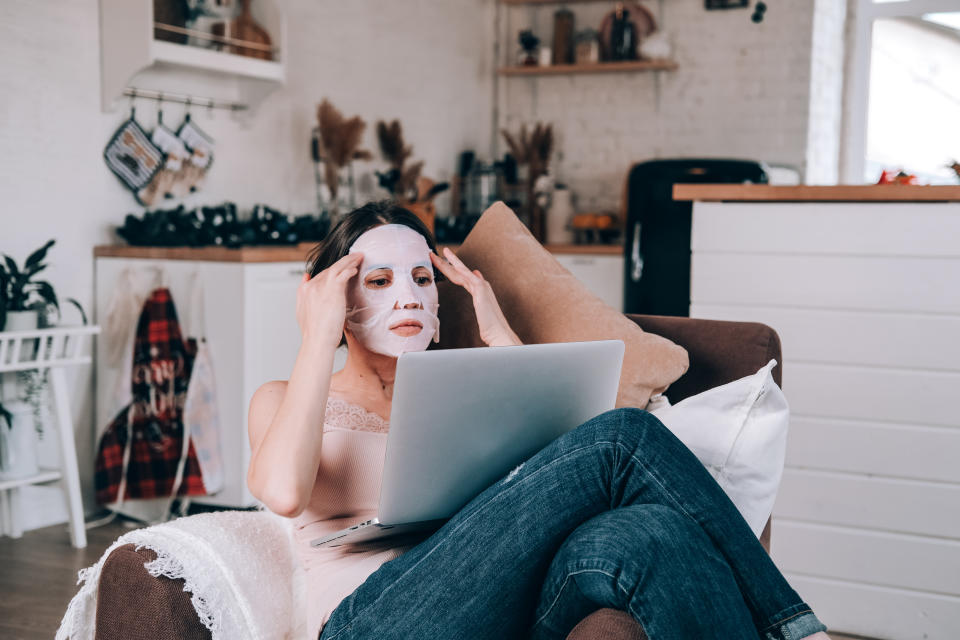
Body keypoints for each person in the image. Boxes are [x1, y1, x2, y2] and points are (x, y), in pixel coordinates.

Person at [246, 201, 831, 640]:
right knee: (622, 436)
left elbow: (562, 474)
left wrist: (497, 330)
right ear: (336, 300)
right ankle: (793, 627)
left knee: (650, 531)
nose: (406, 297)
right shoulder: (288, 394)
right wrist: (318, 338)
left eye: (421, 278)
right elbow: (283, 491)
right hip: (374, 620)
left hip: (496, 603)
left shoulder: (465, 386)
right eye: (378, 281)